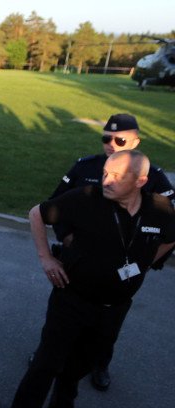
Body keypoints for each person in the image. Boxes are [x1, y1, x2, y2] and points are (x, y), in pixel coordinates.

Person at [0, 150, 175, 408]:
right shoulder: (86, 198)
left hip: (114, 307)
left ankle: (61, 406)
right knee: (45, 365)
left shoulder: (159, 209)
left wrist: (145, 263)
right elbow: (37, 214)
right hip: (72, 299)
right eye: (106, 172)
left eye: (117, 176)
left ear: (141, 181)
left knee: (85, 362)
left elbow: (171, 236)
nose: (106, 180)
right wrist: (46, 259)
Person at [49, 113, 175, 391]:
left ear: (136, 141)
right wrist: (66, 236)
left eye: (120, 139)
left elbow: (170, 223)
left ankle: (99, 363)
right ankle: (52, 357)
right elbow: (54, 204)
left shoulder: (150, 177)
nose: (111, 144)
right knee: (63, 318)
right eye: (106, 138)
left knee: (107, 327)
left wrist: (145, 261)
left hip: (122, 273)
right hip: (78, 263)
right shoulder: (86, 167)